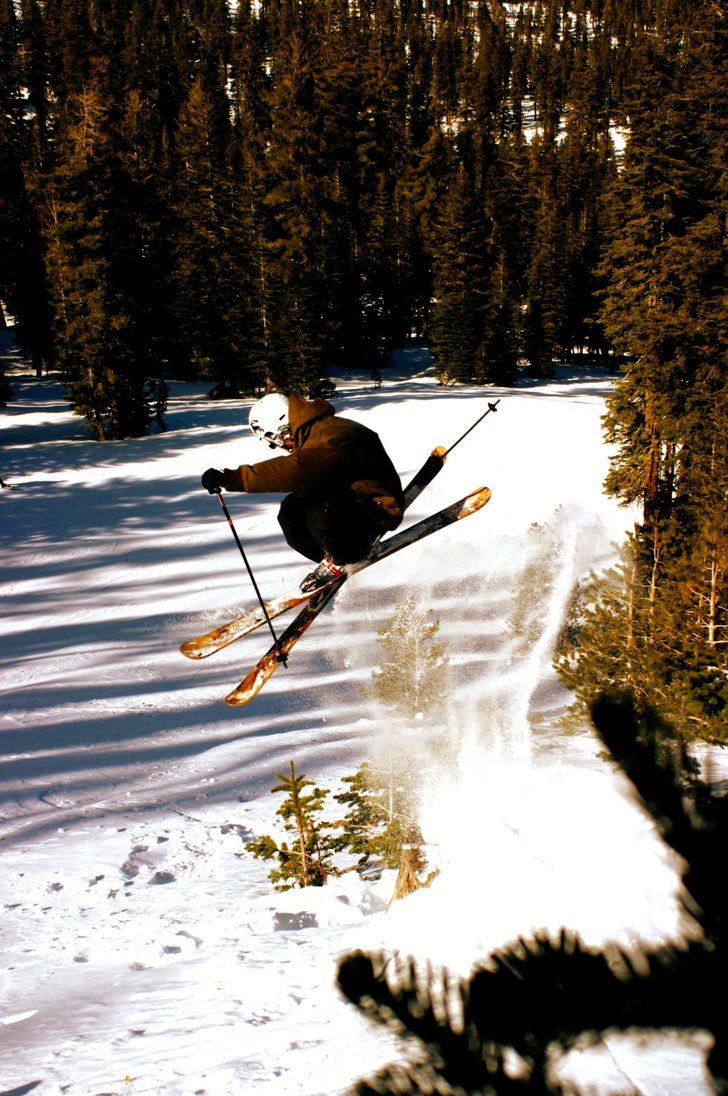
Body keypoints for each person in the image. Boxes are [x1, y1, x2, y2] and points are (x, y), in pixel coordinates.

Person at [201, 392, 404, 592]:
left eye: (276, 439)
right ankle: (332, 557)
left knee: (314, 504)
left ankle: (348, 552)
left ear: (281, 426)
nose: (281, 446)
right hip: (358, 504)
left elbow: (296, 469)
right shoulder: (317, 431)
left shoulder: (330, 435)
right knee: (291, 509)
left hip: (376, 509)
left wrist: (231, 478)